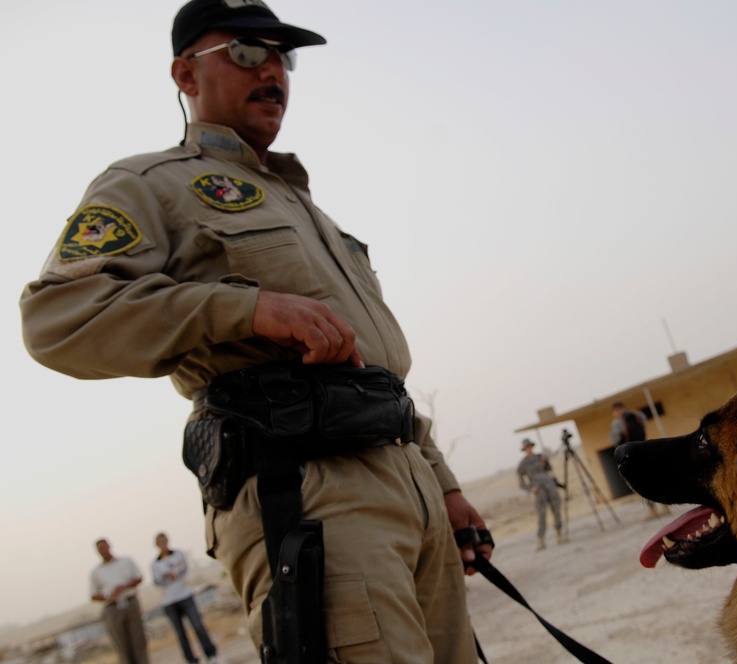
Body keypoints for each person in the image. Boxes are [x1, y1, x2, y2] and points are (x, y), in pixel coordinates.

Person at [20, 2, 492, 662]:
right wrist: (244, 309)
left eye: (282, 56)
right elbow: (58, 319)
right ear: (186, 74)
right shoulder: (148, 184)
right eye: (245, 52)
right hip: (305, 488)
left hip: (404, 477)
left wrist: (442, 483)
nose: (271, 69)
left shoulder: (303, 205)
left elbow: (377, 370)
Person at [151, 533, 220, 664]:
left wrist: (172, 574)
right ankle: (191, 659)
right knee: (180, 633)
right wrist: (168, 576)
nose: (163, 544)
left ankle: (211, 654)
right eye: (160, 542)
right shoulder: (155, 563)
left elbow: (183, 569)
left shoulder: (179, 554)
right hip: (169, 600)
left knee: (198, 625)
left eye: (164, 541)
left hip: (185, 595)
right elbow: (157, 580)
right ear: (157, 545)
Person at [90, 539, 149, 664]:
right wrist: (109, 595)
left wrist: (125, 587)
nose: (103, 550)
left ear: (109, 546)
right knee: (121, 644)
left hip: (131, 603)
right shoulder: (96, 572)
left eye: (104, 547)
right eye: (100, 549)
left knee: (138, 639)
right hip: (112, 608)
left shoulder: (126, 561)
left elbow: (139, 578)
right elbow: (93, 595)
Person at [609, 402, 663, 518]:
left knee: (641, 482)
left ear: (616, 411)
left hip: (631, 454)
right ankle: (665, 506)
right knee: (654, 479)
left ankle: (652, 510)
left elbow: (615, 439)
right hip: (645, 449)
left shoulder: (617, 422)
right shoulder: (638, 415)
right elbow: (644, 424)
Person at [516, 439, 564, 550]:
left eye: (530, 446)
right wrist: (530, 488)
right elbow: (521, 481)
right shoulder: (523, 463)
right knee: (541, 514)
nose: (529, 448)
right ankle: (541, 540)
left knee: (556, 509)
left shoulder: (540, 457)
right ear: (524, 449)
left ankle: (559, 534)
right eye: (527, 447)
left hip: (549, 485)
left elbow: (549, 469)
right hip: (538, 489)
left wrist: (544, 462)